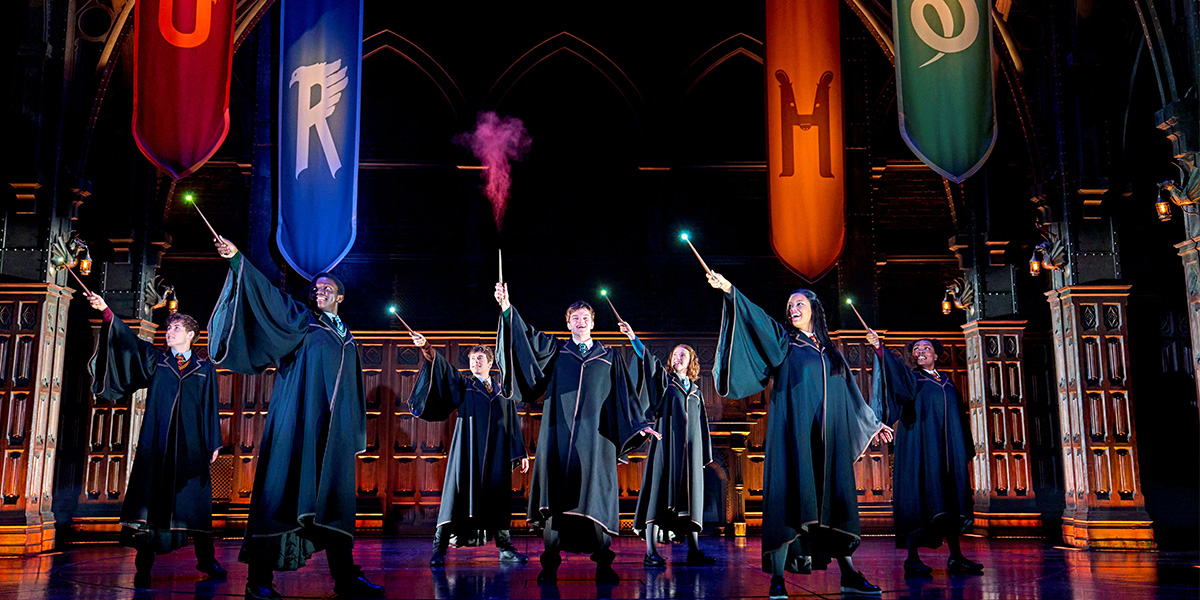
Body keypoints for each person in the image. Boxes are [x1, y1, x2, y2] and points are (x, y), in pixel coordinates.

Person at [208, 237, 383, 600]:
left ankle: (346, 580)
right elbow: (270, 298)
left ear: (340, 296)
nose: (318, 291)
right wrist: (239, 260)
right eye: (315, 288)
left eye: (326, 288)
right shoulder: (302, 324)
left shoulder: (348, 338)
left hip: (332, 437)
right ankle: (258, 581)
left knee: (333, 505)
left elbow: (351, 390)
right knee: (282, 496)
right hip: (299, 427)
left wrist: (352, 435)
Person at [706, 272, 893, 598]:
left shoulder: (830, 352)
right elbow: (758, 320)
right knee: (789, 503)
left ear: (814, 310)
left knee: (833, 507)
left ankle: (849, 574)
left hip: (828, 442)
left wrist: (872, 424)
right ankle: (777, 578)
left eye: (799, 304)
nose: (792, 309)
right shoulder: (785, 343)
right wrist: (730, 290)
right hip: (795, 439)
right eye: (790, 305)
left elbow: (851, 393)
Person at [493, 282, 660, 585]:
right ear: (567, 323)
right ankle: (550, 565)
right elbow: (525, 339)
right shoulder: (558, 351)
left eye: (585, 318)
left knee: (594, 497)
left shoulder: (609, 357)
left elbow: (626, 398)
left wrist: (640, 424)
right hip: (558, 437)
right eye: (574, 318)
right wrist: (506, 308)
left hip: (596, 443)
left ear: (593, 323)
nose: (580, 322)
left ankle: (604, 565)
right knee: (556, 503)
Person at [87, 294, 224, 587]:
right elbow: (128, 342)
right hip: (159, 443)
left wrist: (214, 442)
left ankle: (207, 559)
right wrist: (107, 312)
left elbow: (211, 407)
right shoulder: (156, 360)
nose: (169, 332)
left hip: (191, 446)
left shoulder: (204, 369)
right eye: (169, 328)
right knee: (151, 504)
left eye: (175, 328)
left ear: (190, 334)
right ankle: (144, 567)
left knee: (195, 506)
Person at [865, 332, 984, 576]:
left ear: (936, 355)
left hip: (946, 454)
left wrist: (964, 450)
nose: (920, 351)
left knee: (949, 500)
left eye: (926, 348)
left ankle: (956, 557)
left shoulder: (948, 383)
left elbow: (959, 419)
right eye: (916, 349)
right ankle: (912, 559)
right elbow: (893, 372)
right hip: (919, 451)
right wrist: (880, 349)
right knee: (918, 499)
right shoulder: (912, 380)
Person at [406, 334, 530, 566]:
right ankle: (439, 549)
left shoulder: (503, 390)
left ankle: (505, 548)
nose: (475, 362)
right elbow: (444, 369)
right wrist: (427, 348)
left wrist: (520, 451)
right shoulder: (464, 386)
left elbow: (513, 422)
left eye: (480, 358)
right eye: (473, 359)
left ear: (490, 362)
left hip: (496, 453)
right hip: (468, 451)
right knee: (456, 496)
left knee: (498, 498)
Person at [618, 322, 716, 567]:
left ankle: (694, 550)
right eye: (674, 355)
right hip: (666, 446)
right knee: (657, 493)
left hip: (690, 453)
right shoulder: (665, 382)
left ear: (691, 360)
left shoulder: (696, 391)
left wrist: (703, 454)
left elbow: (702, 423)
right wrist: (633, 337)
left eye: (682, 354)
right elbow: (648, 362)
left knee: (691, 498)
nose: (677, 358)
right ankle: (650, 551)